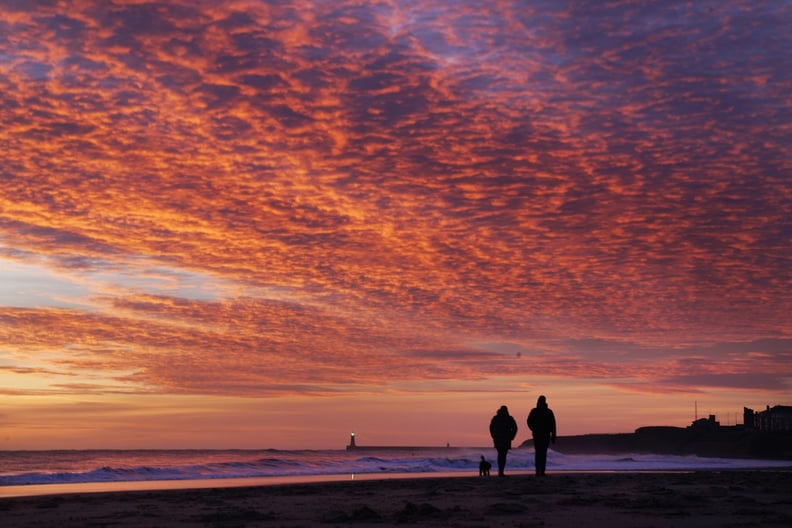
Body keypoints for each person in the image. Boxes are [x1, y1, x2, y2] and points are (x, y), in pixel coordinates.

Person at [527, 395, 556, 476]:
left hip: (539, 434)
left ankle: (538, 470)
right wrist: (553, 436)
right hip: (543, 434)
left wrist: (533, 428)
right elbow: (553, 425)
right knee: (543, 453)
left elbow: (529, 421)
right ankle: (541, 471)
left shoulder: (535, 411)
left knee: (539, 453)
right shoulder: (548, 411)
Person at [489, 405, 518, 476]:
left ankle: (500, 470)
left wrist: (493, 436)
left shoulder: (495, 418)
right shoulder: (509, 418)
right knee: (503, 455)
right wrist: (512, 436)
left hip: (498, 439)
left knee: (500, 454)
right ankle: (501, 471)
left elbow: (491, 428)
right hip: (506, 439)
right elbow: (515, 428)